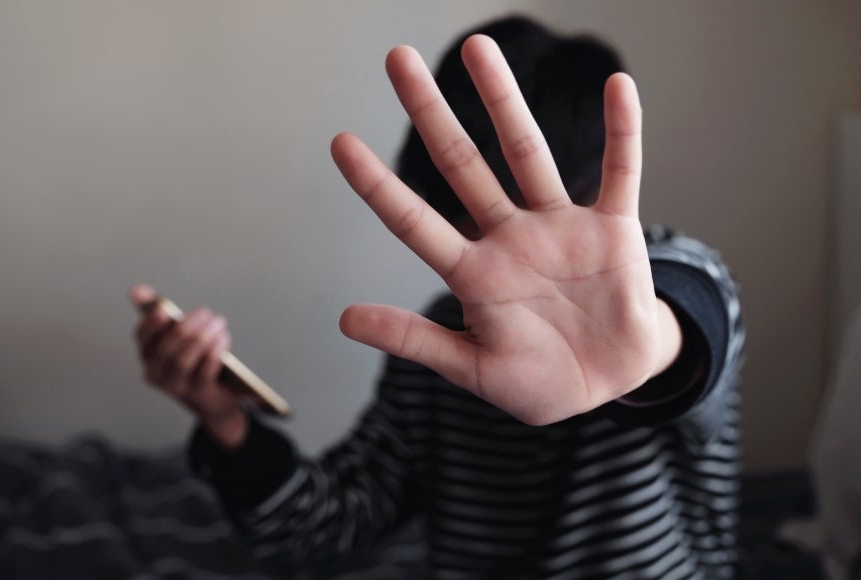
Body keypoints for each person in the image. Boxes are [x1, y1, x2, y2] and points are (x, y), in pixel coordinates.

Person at [132, 15, 744, 579]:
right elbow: (329, 527)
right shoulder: (440, 343)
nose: (481, 252)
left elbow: (687, 326)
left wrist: (647, 349)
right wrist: (223, 419)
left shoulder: (675, 279)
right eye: (459, 216)